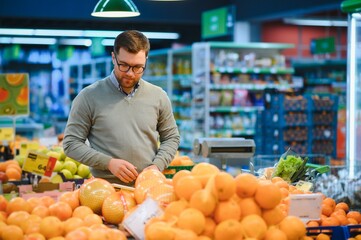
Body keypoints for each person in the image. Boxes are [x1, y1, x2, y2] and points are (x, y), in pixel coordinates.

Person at [63, 30, 180, 185]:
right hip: (105, 190)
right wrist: (108, 163)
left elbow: (171, 137)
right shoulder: (88, 97)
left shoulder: (158, 96)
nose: (130, 74)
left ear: (146, 61)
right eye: (124, 65)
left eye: (138, 67)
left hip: (148, 187)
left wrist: (156, 166)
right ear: (113, 57)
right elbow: (71, 143)